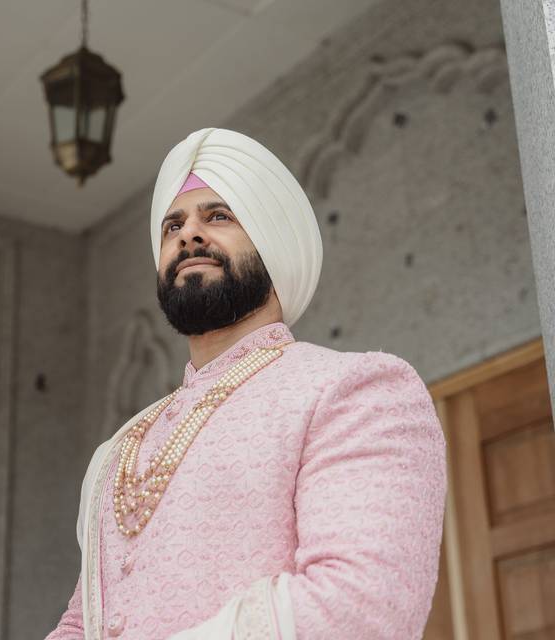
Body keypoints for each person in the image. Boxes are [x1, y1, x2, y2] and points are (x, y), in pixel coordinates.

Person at [45, 128, 447, 639]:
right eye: (173, 225)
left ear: (272, 240)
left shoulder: (354, 390)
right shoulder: (121, 448)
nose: (188, 235)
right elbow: (83, 622)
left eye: (218, 216)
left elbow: (363, 606)